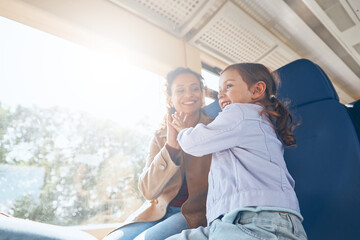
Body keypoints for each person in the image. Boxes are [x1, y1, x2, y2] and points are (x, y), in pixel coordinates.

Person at [166, 63, 307, 240]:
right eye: (219, 91)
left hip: (258, 222)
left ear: (257, 90)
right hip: (233, 222)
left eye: (229, 86)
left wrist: (183, 130)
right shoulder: (260, 120)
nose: (221, 95)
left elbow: (194, 143)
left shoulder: (239, 113)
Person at [103, 68, 213, 240]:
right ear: (170, 98)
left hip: (192, 213)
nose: (189, 95)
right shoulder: (161, 135)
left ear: (201, 93)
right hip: (158, 210)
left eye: (195, 88)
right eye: (180, 90)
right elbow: (147, 191)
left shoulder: (214, 129)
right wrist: (171, 147)